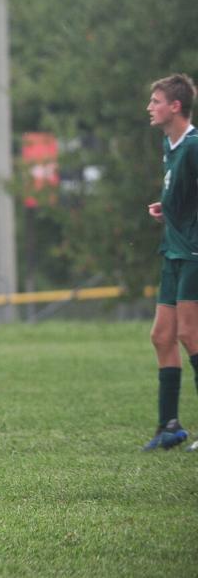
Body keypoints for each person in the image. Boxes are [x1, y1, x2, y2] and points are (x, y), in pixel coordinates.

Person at [143, 73, 198, 451]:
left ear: (175, 106)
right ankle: (169, 428)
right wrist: (171, 211)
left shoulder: (194, 146)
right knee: (162, 336)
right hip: (172, 251)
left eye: (156, 100)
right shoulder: (170, 144)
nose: (150, 107)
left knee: (190, 334)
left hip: (194, 253)